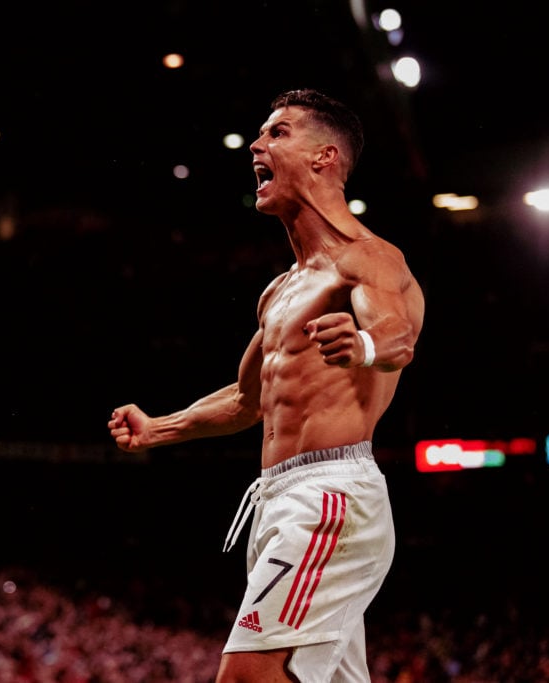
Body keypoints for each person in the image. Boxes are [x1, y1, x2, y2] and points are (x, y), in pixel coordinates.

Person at [107, 88, 425, 682]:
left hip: (330, 498)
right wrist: (160, 428)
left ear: (324, 157)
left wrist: (364, 346)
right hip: (278, 499)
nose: (256, 144)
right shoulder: (280, 290)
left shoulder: (369, 258)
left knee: (246, 677)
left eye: (277, 133)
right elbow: (248, 399)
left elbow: (398, 337)